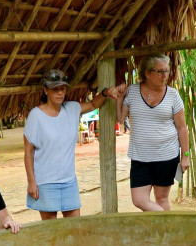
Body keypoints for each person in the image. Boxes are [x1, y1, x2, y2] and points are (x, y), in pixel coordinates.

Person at [23, 69, 124, 219]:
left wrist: (105, 93)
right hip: (46, 183)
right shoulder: (36, 116)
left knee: (75, 227)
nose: (59, 93)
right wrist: (31, 182)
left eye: (62, 89)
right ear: (46, 90)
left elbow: (92, 104)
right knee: (52, 231)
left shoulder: (72, 108)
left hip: (69, 181)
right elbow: (28, 151)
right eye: (55, 89)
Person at [114, 55, 190, 212]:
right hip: (140, 156)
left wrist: (185, 156)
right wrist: (119, 99)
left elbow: (182, 128)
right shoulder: (133, 92)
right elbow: (120, 118)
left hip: (167, 155)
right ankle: (169, 223)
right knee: (139, 200)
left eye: (166, 71)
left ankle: (164, 234)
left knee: (162, 198)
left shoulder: (172, 95)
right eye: (160, 71)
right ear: (147, 73)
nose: (164, 76)